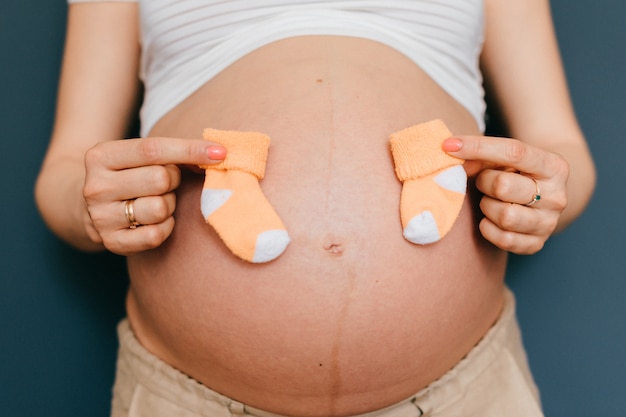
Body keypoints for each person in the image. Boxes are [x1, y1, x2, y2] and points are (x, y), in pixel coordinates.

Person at [35, 0, 596, 416]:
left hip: (461, 390)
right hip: (190, 395)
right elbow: (65, 170)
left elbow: (561, 149)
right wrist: (90, 210)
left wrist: (540, 197)